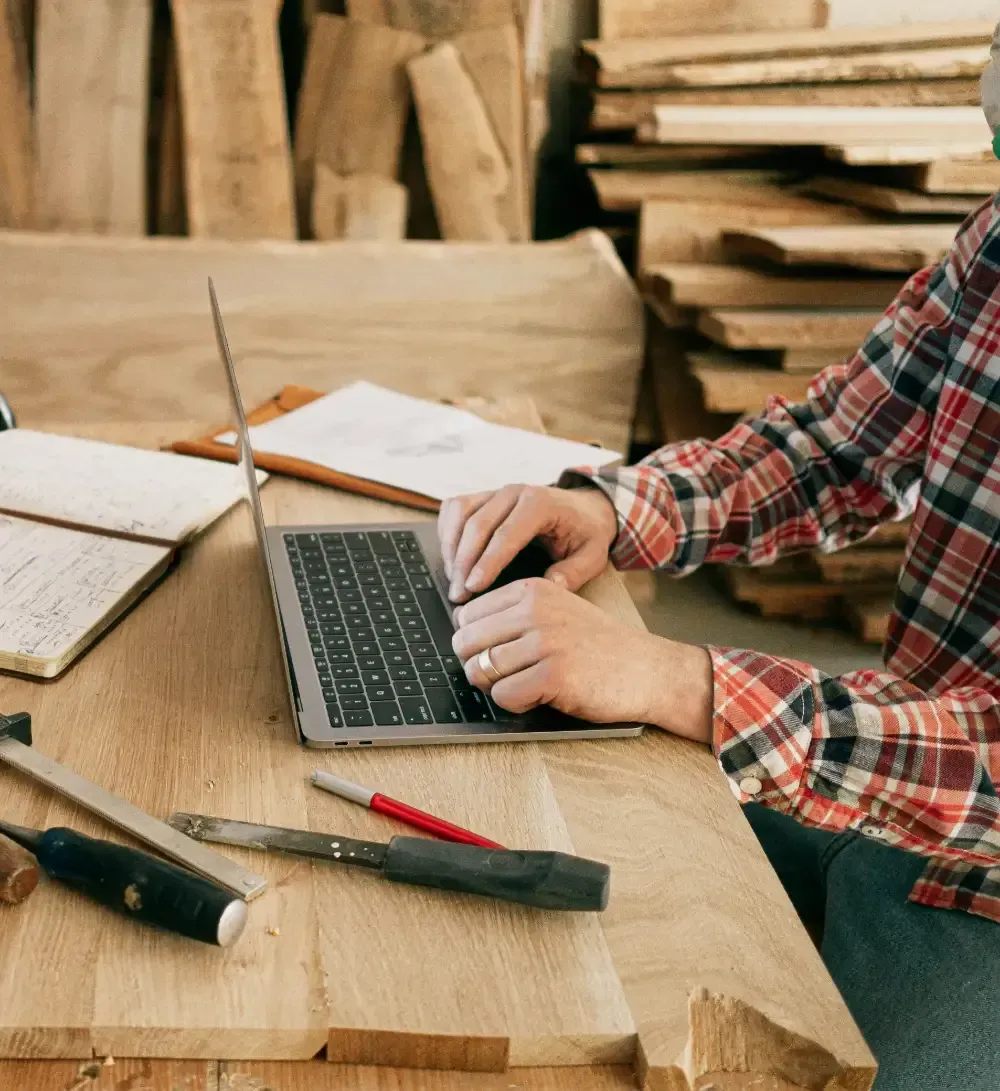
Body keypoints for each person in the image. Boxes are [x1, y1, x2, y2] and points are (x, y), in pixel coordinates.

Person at [436, 32, 1000, 1091]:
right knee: (518, 872)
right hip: (888, 785)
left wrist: (684, 681)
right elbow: (835, 446)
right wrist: (612, 509)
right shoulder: (997, 246)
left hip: (983, 892)